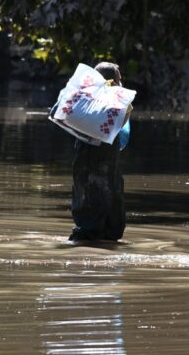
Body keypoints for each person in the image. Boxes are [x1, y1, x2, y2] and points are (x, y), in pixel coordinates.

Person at [68, 62, 131, 242]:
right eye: (119, 79)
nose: (121, 82)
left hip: (86, 162)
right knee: (104, 214)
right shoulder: (117, 101)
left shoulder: (83, 100)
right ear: (112, 81)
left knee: (91, 209)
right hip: (103, 163)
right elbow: (122, 123)